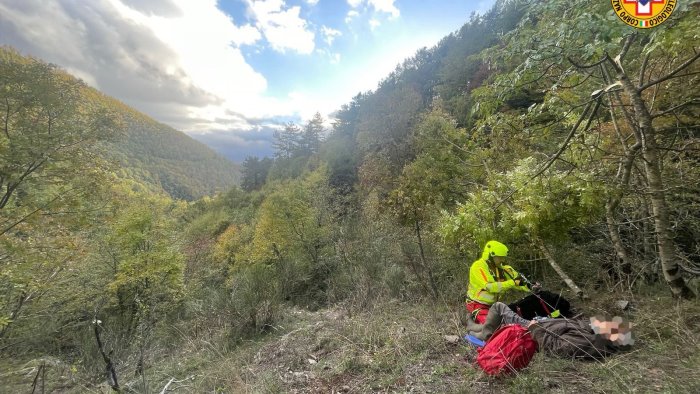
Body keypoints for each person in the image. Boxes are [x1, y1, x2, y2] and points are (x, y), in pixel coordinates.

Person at [466, 302, 633, 360]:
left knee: (498, 307)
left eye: (610, 324)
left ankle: (481, 334)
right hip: (542, 323)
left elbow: (556, 347)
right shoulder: (591, 332)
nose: (604, 321)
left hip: (532, 329)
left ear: (611, 336)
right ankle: (474, 326)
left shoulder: (586, 342)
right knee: (496, 316)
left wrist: (534, 328)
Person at [466, 240, 533, 323]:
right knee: (494, 326)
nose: (502, 259)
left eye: (503, 257)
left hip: (494, 306)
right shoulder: (478, 267)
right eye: (500, 257)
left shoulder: (503, 269)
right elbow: (490, 287)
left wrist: (530, 286)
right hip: (478, 305)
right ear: (490, 255)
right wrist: (513, 282)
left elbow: (518, 281)